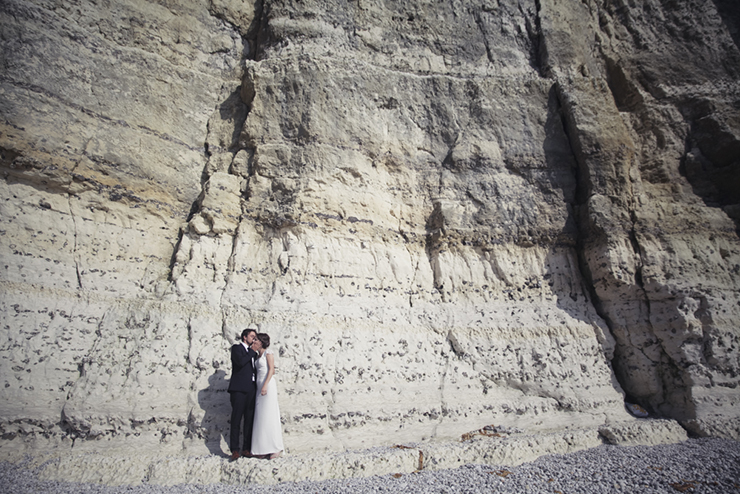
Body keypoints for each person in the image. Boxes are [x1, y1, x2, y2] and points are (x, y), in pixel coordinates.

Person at [250, 332, 284, 459]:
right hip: (259, 387)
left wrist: (265, 385)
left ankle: (276, 448)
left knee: (270, 415)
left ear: (262, 342)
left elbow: (271, 370)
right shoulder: (257, 356)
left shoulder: (268, 353)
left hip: (267, 386)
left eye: (256, 340)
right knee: (261, 417)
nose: (254, 341)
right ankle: (263, 448)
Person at [227, 328, 258, 461]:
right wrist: (252, 351)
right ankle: (234, 449)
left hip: (251, 389)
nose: (254, 339)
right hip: (239, 389)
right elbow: (240, 362)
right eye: (252, 336)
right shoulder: (236, 348)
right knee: (236, 419)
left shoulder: (253, 353)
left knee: (249, 419)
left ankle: (246, 448)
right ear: (245, 337)